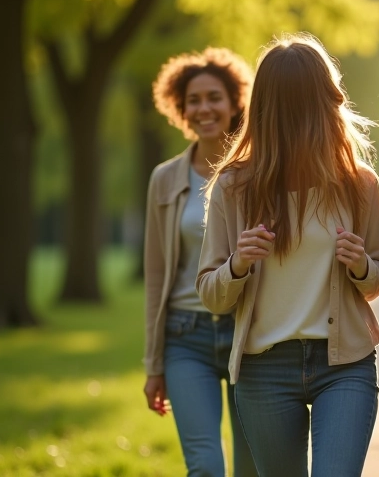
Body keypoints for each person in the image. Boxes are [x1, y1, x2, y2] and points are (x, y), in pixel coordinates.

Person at [196, 33, 379, 477]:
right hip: (265, 370)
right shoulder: (233, 186)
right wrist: (237, 264)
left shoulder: (359, 184)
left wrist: (361, 264)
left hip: (344, 366)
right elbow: (211, 294)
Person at [143, 47, 259, 477]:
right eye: (194, 100)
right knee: (206, 467)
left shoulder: (257, 169)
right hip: (184, 338)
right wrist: (154, 365)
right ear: (181, 108)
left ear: (234, 103)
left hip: (247, 335)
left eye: (214, 97)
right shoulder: (165, 178)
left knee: (254, 468)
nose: (204, 108)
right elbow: (156, 275)